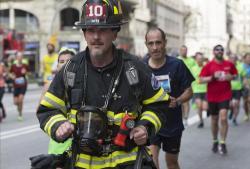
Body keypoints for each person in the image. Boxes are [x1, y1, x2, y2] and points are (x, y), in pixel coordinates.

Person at [34, 1, 169, 169]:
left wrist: (144, 127)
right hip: (83, 163)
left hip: (127, 162)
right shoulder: (71, 69)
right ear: (84, 33)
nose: (96, 37)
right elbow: (48, 109)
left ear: (114, 33)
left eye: (103, 30)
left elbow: (159, 104)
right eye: (90, 30)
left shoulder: (134, 68)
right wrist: (58, 125)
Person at [143, 27, 194, 169]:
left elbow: (189, 92)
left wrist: (177, 101)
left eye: (158, 43)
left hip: (172, 123)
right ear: (146, 44)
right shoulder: (141, 67)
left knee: (172, 163)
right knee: (152, 161)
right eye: (151, 43)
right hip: (150, 122)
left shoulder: (177, 65)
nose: (155, 47)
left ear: (165, 43)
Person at [200, 45, 237, 155]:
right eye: (217, 50)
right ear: (213, 52)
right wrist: (212, 77)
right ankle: (215, 140)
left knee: (224, 117)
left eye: (221, 50)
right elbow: (200, 80)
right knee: (214, 120)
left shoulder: (229, 64)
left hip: (225, 95)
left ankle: (223, 142)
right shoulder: (209, 65)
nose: (219, 51)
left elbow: (235, 75)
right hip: (212, 97)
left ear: (223, 52)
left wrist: (231, 77)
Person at [39, 47, 76, 156]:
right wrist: (58, 124)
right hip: (60, 139)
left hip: (78, 140)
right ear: (57, 65)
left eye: (68, 61)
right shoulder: (49, 86)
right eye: (61, 61)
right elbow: (43, 111)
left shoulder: (83, 84)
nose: (64, 64)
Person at [178, 45, 195, 126]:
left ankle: (186, 118)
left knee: (186, 102)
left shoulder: (191, 60)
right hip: (178, 84)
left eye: (185, 50)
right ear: (180, 51)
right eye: (182, 50)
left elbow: (195, 71)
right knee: (179, 102)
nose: (184, 52)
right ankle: (180, 118)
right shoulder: (177, 59)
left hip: (187, 84)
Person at [10, 52, 28, 121]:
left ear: (22, 58)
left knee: (20, 100)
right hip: (15, 85)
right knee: (15, 102)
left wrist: (25, 72)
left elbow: (29, 72)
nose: (19, 58)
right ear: (16, 58)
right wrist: (12, 76)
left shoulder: (25, 65)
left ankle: (20, 114)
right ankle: (19, 108)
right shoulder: (13, 66)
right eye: (18, 56)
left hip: (23, 85)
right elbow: (10, 73)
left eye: (21, 56)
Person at [191, 52, 208, 128]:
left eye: (201, 59)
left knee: (205, 107)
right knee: (199, 106)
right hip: (196, 90)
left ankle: (208, 111)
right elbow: (190, 79)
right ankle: (201, 121)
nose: (199, 60)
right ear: (196, 59)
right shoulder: (193, 68)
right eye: (198, 59)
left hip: (206, 90)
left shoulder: (206, 67)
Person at [228, 55, 245, 125]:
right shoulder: (226, 67)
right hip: (228, 88)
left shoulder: (240, 67)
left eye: (234, 59)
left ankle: (235, 119)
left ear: (236, 60)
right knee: (230, 105)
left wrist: (244, 84)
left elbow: (243, 77)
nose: (233, 61)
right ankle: (231, 110)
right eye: (231, 59)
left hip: (238, 88)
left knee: (237, 104)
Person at [241, 53, 250, 121]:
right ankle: (246, 114)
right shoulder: (241, 66)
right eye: (248, 57)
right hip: (243, 86)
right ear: (245, 59)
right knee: (245, 102)